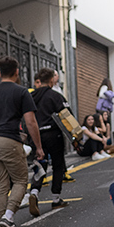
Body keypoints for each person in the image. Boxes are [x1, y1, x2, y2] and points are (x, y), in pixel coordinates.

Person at [0, 55, 44, 227]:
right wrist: (38, 147)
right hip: (8, 139)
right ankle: (8, 218)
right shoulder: (22, 92)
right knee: (20, 180)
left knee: (0, 184)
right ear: (16, 72)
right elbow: (30, 122)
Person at [28, 67, 72, 214]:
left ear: (39, 81)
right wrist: (74, 136)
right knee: (58, 165)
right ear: (52, 80)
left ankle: (34, 191)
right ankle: (55, 199)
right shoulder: (55, 96)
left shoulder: (30, 97)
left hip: (36, 135)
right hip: (54, 134)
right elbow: (67, 116)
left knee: (40, 164)